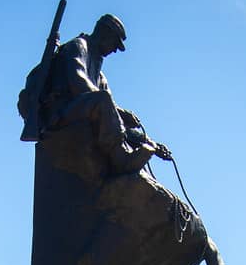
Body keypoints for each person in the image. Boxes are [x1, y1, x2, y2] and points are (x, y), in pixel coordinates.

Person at [36, 13, 172, 174]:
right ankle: (121, 158)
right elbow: (79, 84)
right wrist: (120, 112)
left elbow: (112, 120)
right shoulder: (78, 46)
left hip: (79, 112)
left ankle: (127, 160)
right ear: (104, 33)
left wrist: (150, 143)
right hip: (60, 114)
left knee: (108, 108)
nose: (115, 50)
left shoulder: (100, 76)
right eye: (115, 43)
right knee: (104, 100)